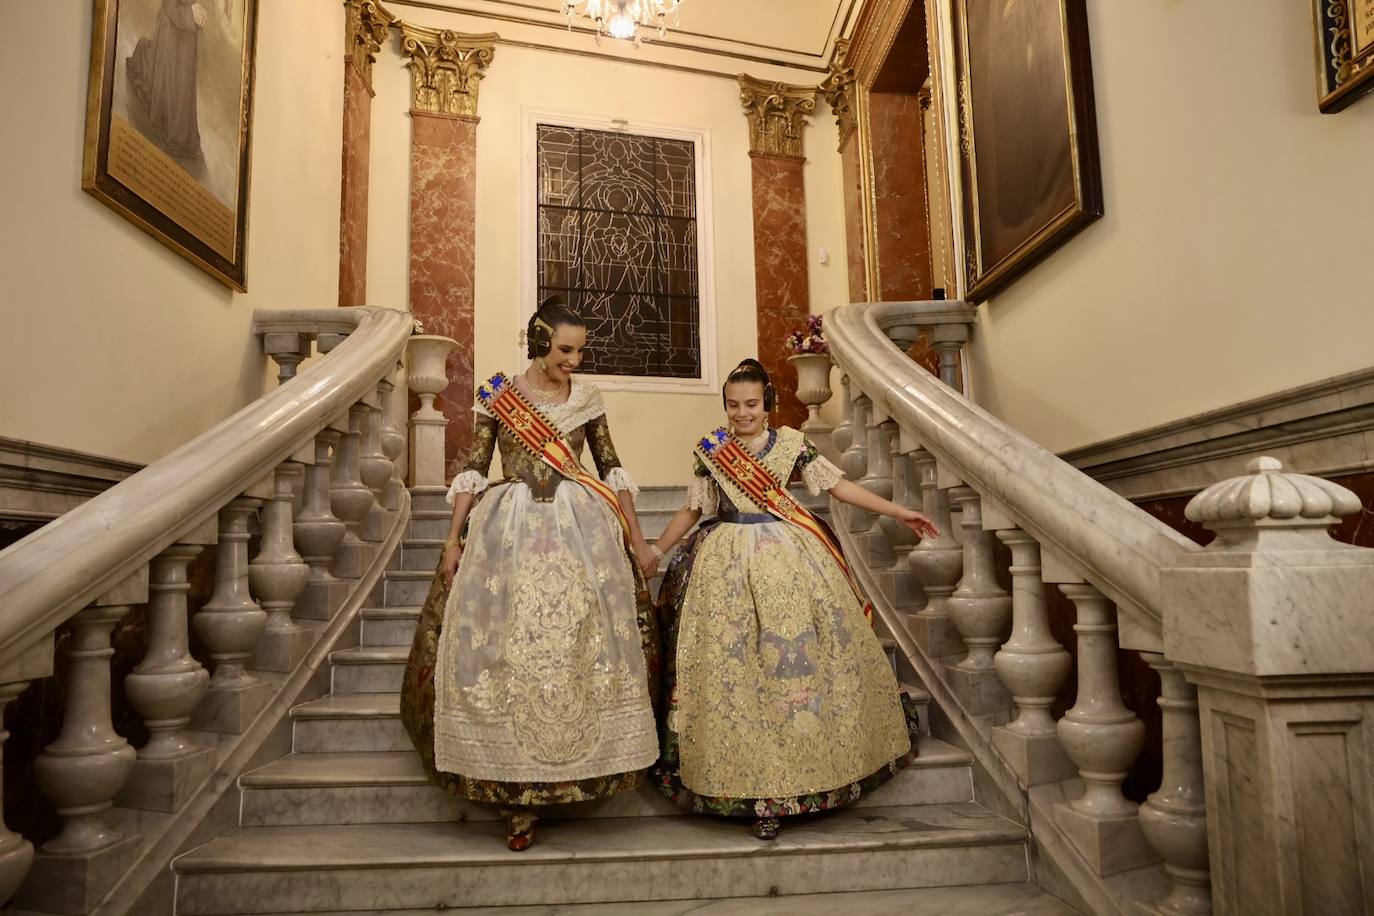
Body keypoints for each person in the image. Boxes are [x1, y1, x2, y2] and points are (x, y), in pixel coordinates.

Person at [401, 298, 662, 851]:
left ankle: (579, 774)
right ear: (539, 343)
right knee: (510, 653)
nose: (575, 360)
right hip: (507, 533)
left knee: (575, 650)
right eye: (565, 350)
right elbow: (473, 467)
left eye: (580, 350)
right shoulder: (500, 394)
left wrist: (637, 537)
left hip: (580, 531)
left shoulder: (587, 398)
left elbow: (610, 466)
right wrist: (452, 540)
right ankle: (516, 798)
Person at [647, 359, 939, 840]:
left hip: (790, 558)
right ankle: (745, 779)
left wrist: (898, 511)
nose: (742, 414)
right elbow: (694, 508)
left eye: (751, 405)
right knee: (736, 671)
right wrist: (658, 549)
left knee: (798, 664)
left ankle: (812, 769)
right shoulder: (711, 451)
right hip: (725, 565)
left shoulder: (792, 445)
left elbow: (838, 487)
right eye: (733, 405)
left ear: (769, 404)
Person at [127, 0, 206, 160]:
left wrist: (199, 14)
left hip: (186, 35)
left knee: (183, 84)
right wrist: (191, 15)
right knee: (171, 82)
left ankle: (181, 130)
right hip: (170, 29)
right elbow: (170, 6)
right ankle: (174, 128)